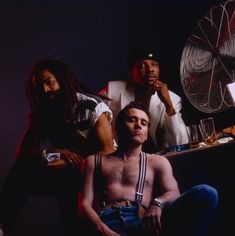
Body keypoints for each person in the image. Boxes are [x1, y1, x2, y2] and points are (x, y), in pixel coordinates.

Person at [0, 58, 115, 236]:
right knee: (22, 169)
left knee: (77, 222)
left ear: (62, 80)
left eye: (49, 82)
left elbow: (108, 151)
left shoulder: (91, 106)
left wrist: (71, 162)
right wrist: (52, 152)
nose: (45, 90)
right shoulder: (44, 110)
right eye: (39, 86)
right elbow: (24, 154)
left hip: (99, 171)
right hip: (71, 172)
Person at [80, 101, 218, 236]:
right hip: (107, 222)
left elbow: (173, 193)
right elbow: (84, 204)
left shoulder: (157, 161)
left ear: (146, 135)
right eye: (132, 120)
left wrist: (157, 203)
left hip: (144, 222)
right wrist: (102, 229)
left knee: (206, 193)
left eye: (143, 123)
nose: (138, 125)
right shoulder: (94, 161)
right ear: (118, 128)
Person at [99, 46, 189, 153]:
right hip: (119, 158)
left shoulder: (172, 99)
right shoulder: (112, 90)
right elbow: (92, 117)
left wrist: (168, 105)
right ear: (131, 72)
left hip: (157, 159)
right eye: (142, 65)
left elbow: (181, 144)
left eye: (154, 65)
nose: (150, 69)